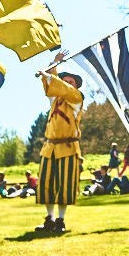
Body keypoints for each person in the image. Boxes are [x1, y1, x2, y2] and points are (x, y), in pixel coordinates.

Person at [33, 51, 84, 234]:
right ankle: (50, 219)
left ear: (76, 86)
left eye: (70, 82)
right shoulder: (55, 100)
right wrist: (54, 63)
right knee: (46, 183)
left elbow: (60, 86)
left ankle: (61, 220)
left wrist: (50, 76)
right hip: (50, 147)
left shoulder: (77, 99)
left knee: (65, 185)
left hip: (68, 148)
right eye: (65, 80)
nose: (67, 84)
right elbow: (51, 83)